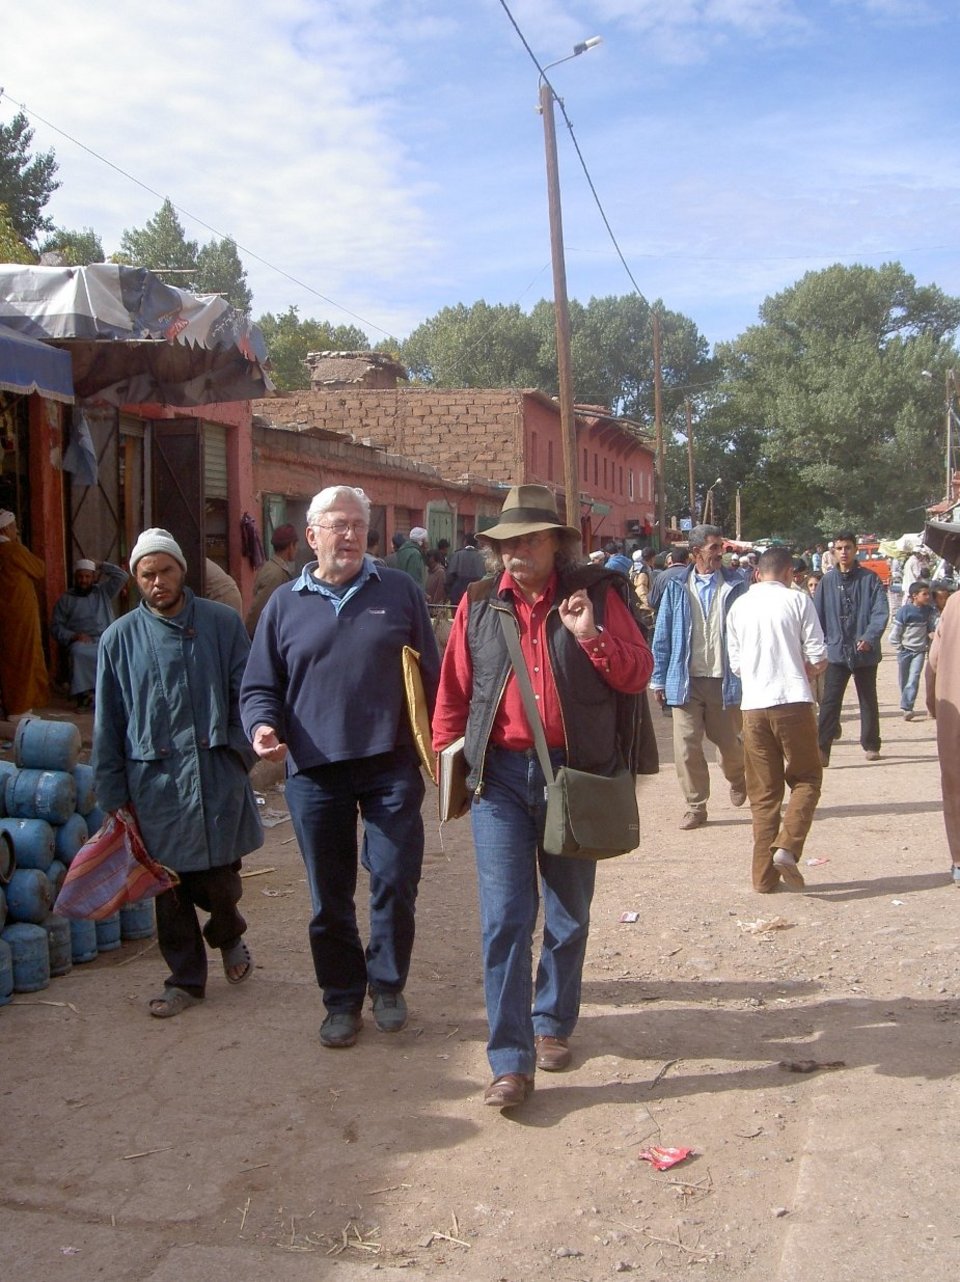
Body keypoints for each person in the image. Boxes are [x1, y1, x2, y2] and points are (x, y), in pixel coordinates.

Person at [432, 484, 652, 1109]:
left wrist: (589, 635)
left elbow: (637, 674)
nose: (515, 554)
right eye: (505, 544)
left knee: (568, 912)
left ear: (557, 543)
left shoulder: (598, 597)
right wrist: (447, 756)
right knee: (504, 918)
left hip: (573, 780)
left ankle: (552, 1021)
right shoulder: (478, 605)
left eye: (528, 540)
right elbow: (453, 692)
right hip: (500, 779)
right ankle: (509, 1060)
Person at [240, 486, 440, 1050]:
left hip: (391, 764)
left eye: (358, 525)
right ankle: (342, 999)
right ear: (312, 537)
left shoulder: (399, 592)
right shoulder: (283, 604)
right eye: (337, 525)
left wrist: (447, 744)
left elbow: (432, 676)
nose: (349, 535)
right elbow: (259, 685)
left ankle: (389, 983)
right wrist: (262, 727)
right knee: (329, 895)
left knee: (396, 878)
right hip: (314, 770)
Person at [94, 528, 263, 1017]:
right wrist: (113, 795)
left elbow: (247, 694)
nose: (158, 582)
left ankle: (228, 930)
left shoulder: (221, 624)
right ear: (135, 580)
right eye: (147, 574)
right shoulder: (117, 640)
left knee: (219, 881)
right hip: (156, 786)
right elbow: (110, 723)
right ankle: (185, 982)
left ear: (182, 571)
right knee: (168, 889)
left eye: (166, 570)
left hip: (215, 776)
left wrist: (240, 753)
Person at [726, 546, 827, 893]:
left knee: (764, 795)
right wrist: (806, 670)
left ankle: (763, 878)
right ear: (789, 573)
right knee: (807, 779)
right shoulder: (797, 601)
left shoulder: (739, 607)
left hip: (753, 707)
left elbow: (736, 665)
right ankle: (788, 845)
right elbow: (817, 654)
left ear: (757, 573)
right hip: (793, 701)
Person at [650, 524, 748, 829]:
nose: (721, 553)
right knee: (685, 745)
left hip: (725, 679)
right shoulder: (677, 586)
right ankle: (696, 805)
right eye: (714, 548)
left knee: (729, 743)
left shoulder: (737, 584)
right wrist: (659, 677)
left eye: (721, 547)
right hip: (686, 680)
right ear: (695, 553)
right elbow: (663, 633)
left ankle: (738, 777)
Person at [813, 529, 889, 765]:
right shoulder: (827, 582)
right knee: (830, 701)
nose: (843, 552)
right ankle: (822, 749)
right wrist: (819, 645)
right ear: (833, 552)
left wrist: (869, 636)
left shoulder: (870, 579)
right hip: (836, 651)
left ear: (855, 550)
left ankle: (871, 743)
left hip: (864, 651)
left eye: (847, 547)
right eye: (839, 548)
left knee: (868, 699)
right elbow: (817, 617)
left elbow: (880, 612)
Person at [50, 557, 128, 707]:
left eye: (87, 576)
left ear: (93, 577)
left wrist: (100, 565)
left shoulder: (103, 592)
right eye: (80, 576)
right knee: (78, 653)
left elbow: (122, 576)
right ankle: (85, 696)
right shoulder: (66, 599)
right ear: (75, 578)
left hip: (106, 638)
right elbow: (56, 626)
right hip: (83, 642)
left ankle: (114, 695)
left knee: (120, 652)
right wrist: (73, 636)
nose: (83, 580)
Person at [925, 588, 960, 885]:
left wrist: (930, 701)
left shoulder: (954, 603)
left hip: (954, 708)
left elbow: (933, 661)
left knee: (955, 784)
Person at [0, 509, 48, 718]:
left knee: (11, 659)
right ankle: (19, 708)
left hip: (8, 615)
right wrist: (19, 544)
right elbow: (40, 569)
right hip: (19, 616)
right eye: (13, 526)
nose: (16, 530)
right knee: (23, 660)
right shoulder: (12, 550)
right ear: (6, 528)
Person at [888, 579, 937, 720]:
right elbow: (895, 633)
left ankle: (907, 707)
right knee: (904, 679)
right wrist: (899, 646)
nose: (928, 597)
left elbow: (931, 626)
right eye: (925, 594)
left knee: (914, 678)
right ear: (915, 596)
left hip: (919, 651)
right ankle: (906, 702)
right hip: (905, 650)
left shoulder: (928, 611)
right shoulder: (905, 611)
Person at [245, 523, 299, 636]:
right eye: (296, 546)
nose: (297, 550)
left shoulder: (274, 568)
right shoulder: (275, 573)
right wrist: (248, 637)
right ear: (290, 546)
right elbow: (260, 609)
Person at [445, 534, 486, 606]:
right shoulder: (482, 557)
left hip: (458, 596)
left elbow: (449, 577)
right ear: (477, 543)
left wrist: (449, 593)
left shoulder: (457, 555)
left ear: (465, 542)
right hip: (478, 597)